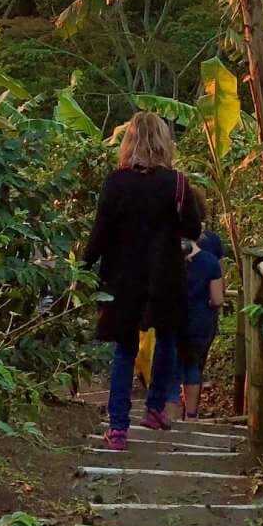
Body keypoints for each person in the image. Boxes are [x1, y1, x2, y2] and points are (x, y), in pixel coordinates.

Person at [82, 111, 202, 449]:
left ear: (129, 140)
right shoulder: (177, 182)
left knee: (125, 348)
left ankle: (118, 428)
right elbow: (192, 228)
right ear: (164, 140)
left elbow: (100, 233)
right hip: (164, 274)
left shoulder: (115, 181)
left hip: (122, 277)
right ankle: (154, 408)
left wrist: (82, 266)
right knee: (166, 339)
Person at [178, 227, 225, 419]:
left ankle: (169, 415)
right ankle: (190, 414)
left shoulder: (167, 258)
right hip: (201, 320)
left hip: (174, 319)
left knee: (172, 365)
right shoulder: (210, 260)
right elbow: (218, 299)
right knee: (193, 365)